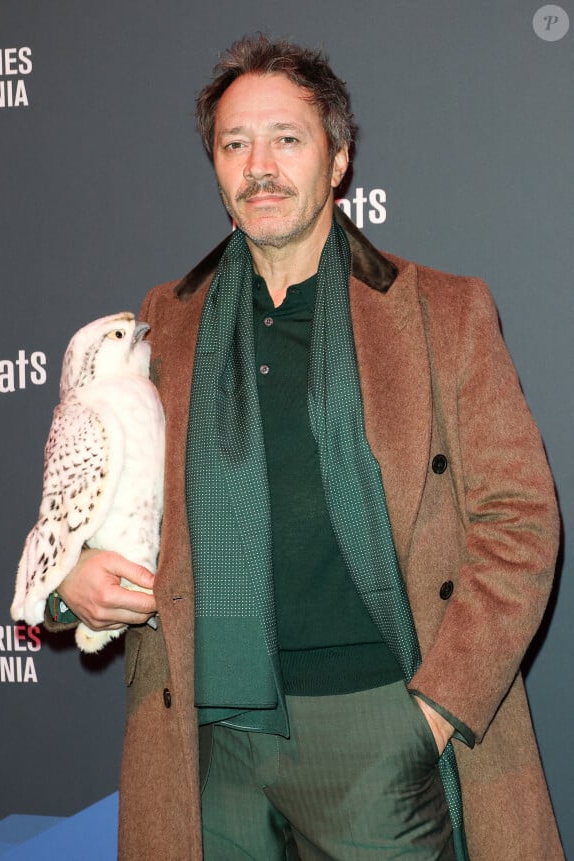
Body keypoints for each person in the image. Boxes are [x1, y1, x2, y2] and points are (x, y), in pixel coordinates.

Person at [50, 34, 563, 860]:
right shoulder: (161, 322)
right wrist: (71, 579)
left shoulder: (443, 313)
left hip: (378, 721)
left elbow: (522, 521)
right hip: (203, 738)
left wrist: (430, 713)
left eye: (287, 138)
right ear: (216, 169)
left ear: (338, 159)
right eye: (235, 143)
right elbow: (94, 500)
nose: (260, 164)